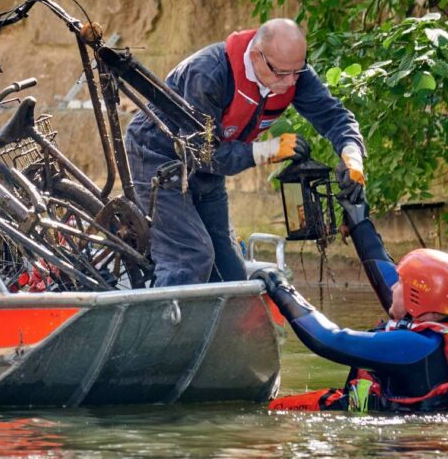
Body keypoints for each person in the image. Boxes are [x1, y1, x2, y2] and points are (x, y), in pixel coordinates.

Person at [124, 18, 367, 286]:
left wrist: (352, 156)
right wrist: (266, 151)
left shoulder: (292, 72)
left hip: (208, 166)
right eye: (280, 73)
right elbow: (200, 152)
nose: (289, 83)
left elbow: (336, 118)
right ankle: (160, 325)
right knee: (191, 258)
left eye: (297, 73)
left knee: (230, 272)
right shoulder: (208, 73)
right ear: (255, 56)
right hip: (159, 155)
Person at [254, 207, 448, 413]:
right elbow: (387, 275)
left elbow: (328, 339)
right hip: (439, 434)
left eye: (401, 283)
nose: (393, 285)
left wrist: (280, 287)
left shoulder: (414, 346)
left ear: (417, 297)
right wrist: (358, 221)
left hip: (411, 449)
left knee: (269, 410)